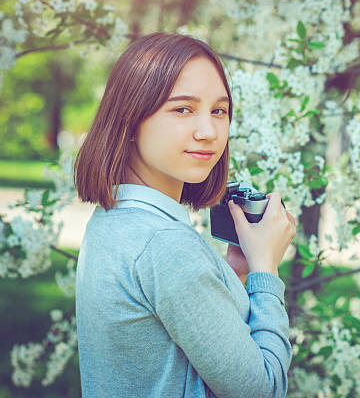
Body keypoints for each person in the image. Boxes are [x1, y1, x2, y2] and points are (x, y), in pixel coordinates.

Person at [73, 32, 296, 398]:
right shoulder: (166, 245)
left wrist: (232, 275)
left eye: (219, 111)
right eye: (182, 109)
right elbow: (263, 389)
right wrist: (265, 273)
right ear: (130, 120)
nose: (208, 131)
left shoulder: (114, 221)